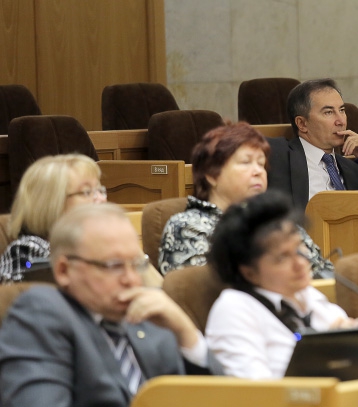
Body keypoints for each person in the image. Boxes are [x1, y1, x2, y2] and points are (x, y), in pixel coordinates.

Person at [0, 203, 208, 407]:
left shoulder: (150, 317)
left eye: (136, 265)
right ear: (64, 270)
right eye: (114, 266)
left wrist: (187, 333)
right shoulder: (42, 313)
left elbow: (217, 396)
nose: (132, 280)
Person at [205, 190, 358, 379]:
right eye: (283, 257)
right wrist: (331, 351)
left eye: (299, 248)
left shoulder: (307, 295)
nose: (300, 262)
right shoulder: (235, 309)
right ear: (249, 272)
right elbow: (256, 391)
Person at [158, 122, 334, 278]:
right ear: (212, 174)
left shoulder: (279, 221)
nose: (258, 171)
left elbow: (326, 275)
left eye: (261, 164)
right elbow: (200, 294)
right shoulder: (189, 226)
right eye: (246, 162)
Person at [267, 78, 358, 211]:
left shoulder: (354, 170)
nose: (341, 121)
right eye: (328, 112)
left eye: (342, 110)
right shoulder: (277, 154)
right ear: (302, 124)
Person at [0, 154, 107, 282]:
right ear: (52, 204)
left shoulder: (100, 243)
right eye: (87, 192)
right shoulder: (27, 250)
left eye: (100, 190)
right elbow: (18, 294)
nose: (101, 199)